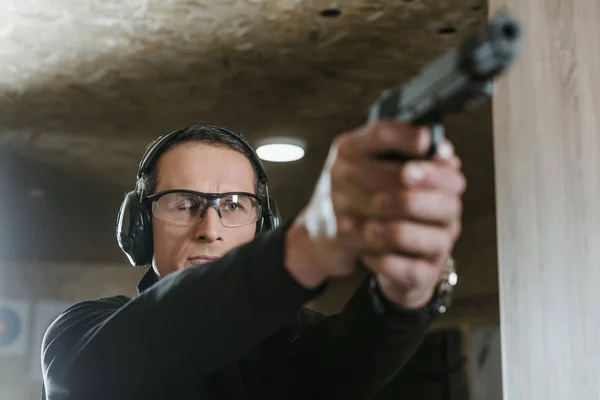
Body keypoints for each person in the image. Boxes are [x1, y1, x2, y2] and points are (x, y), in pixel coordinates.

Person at [40, 121, 465, 400]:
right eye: (183, 203)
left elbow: (353, 358)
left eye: (235, 205)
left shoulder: (295, 340)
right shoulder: (79, 335)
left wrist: (407, 291)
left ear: (262, 224)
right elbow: (120, 361)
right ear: (140, 224)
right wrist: (302, 249)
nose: (210, 228)